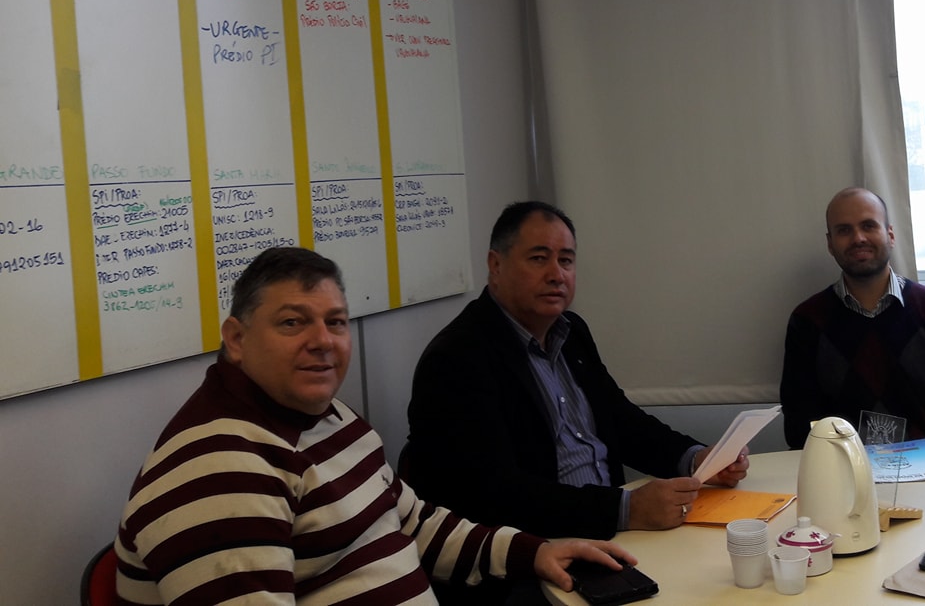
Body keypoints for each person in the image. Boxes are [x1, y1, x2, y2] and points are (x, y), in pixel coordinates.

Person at [114, 247, 632, 605]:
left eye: (335, 322)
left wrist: (534, 552)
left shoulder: (328, 417)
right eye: (293, 322)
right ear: (236, 338)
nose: (323, 341)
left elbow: (413, 523)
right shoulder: (218, 468)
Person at [405, 200, 749, 542]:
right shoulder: (457, 358)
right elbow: (493, 493)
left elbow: (621, 421)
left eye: (566, 260)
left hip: (608, 531)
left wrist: (695, 460)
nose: (556, 274)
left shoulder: (571, 332)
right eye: (538, 259)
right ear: (496, 265)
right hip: (538, 550)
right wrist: (625, 509)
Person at [780, 187, 925, 448]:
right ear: (830, 244)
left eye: (868, 226)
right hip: (845, 468)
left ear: (890, 235)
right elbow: (799, 427)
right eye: (844, 230)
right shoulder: (807, 322)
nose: (858, 238)